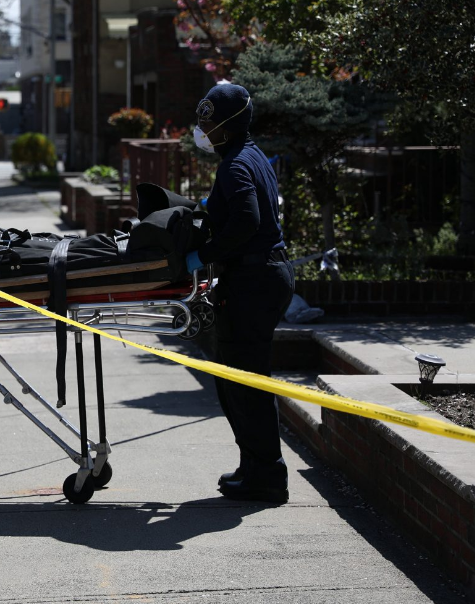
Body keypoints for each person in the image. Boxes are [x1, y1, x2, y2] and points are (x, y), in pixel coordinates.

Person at [184, 84, 295, 504]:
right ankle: (256, 467)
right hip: (264, 275)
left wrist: (202, 256)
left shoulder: (234, 165)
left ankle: (266, 476)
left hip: (253, 282)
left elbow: (246, 220)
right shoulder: (251, 156)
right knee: (240, 381)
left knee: (243, 384)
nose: (204, 130)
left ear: (229, 125)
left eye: (209, 123)